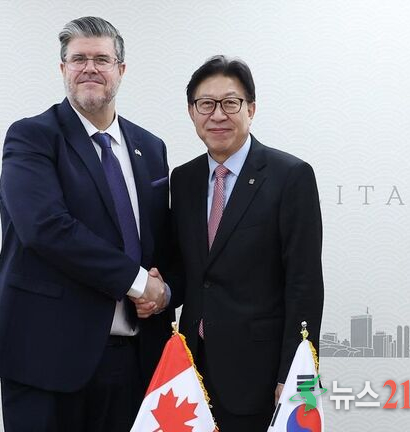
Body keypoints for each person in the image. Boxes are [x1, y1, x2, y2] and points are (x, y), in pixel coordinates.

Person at [0, 16, 173, 432]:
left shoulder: (151, 148)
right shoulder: (31, 137)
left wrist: (165, 291)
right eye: (78, 59)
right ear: (62, 68)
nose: (89, 68)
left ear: (121, 69)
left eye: (101, 59)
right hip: (46, 357)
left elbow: (163, 240)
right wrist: (139, 283)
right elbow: (45, 228)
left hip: (134, 359)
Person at [169, 55, 324, 431]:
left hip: (260, 373)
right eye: (206, 104)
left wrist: (293, 375)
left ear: (250, 109)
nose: (217, 115)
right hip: (192, 371)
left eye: (230, 103)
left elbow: (303, 284)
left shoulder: (290, 176)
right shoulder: (183, 179)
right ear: (192, 112)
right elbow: (188, 269)